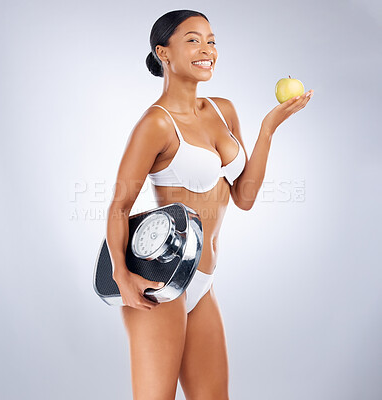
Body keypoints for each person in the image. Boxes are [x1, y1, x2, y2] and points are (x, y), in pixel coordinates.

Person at [106, 9, 313, 400]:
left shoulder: (223, 110)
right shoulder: (156, 124)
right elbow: (119, 206)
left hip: (202, 280)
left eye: (212, 40)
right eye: (193, 40)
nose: (207, 50)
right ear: (163, 53)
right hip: (161, 283)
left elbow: (245, 197)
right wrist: (122, 277)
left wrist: (269, 127)